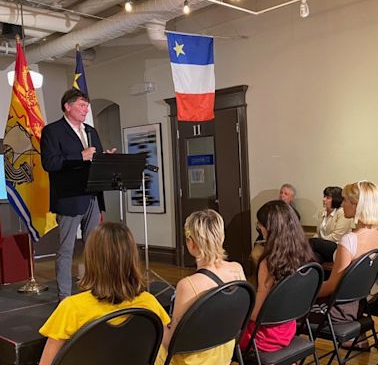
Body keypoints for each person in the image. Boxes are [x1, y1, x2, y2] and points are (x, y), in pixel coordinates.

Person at [39, 222, 171, 365]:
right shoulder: (149, 304)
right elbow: (168, 346)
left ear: (91, 259)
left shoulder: (71, 308)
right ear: (132, 259)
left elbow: (47, 362)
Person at [41, 88, 116, 300]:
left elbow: (96, 160)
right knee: (67, 249)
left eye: (87, 106)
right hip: (69, 197)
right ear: (68, 106)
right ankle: (64, 297)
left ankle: (95, 291)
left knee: (94, 249)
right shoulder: (52, 131)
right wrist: (79, 156)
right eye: (82, 106)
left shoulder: (91, 131)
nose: (86, 109)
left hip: (92, 195)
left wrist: (106, 159)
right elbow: (50, 163)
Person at [163, 209, 246, 365]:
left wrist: (156, 328)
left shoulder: (187, 285)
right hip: (225, 354)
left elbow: (173, 344)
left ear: (191, 243)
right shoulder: (237, 269)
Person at [240, 200, 316, 352]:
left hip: (262, 337)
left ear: (269, 229)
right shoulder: (304, 255)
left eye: (259, 226)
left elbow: (257, 314)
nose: (260, 230)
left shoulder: (269, 262)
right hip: (288, 329)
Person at [314, 181, 378, 325]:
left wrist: (306, 292)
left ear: (356, 205)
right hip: (358, 306)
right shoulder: (377, 234)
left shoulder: (350, 240)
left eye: (345, 200)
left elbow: (331, 286)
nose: (342, 204)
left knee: (288, 307)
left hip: (336, 311)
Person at [250, 183, 301, 266]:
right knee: (255, 254)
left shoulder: (294, 215)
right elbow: (259, 226)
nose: (282, 195)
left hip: (283, 245)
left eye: (285, 194)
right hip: (265, 242)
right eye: (281, 193)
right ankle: (261, 275)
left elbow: (292, 234)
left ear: (291, 198)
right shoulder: (270, 209)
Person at [309, 186, 352, 264]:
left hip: (337, 248)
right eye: (324, 196)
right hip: (322, 248)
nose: (324, 199)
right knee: (314, 257)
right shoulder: (321, 213)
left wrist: (318, 241)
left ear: (336, 200)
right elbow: (318, 234)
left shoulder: (342, 213)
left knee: (312, 242)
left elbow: (336, 236)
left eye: (328, 198)